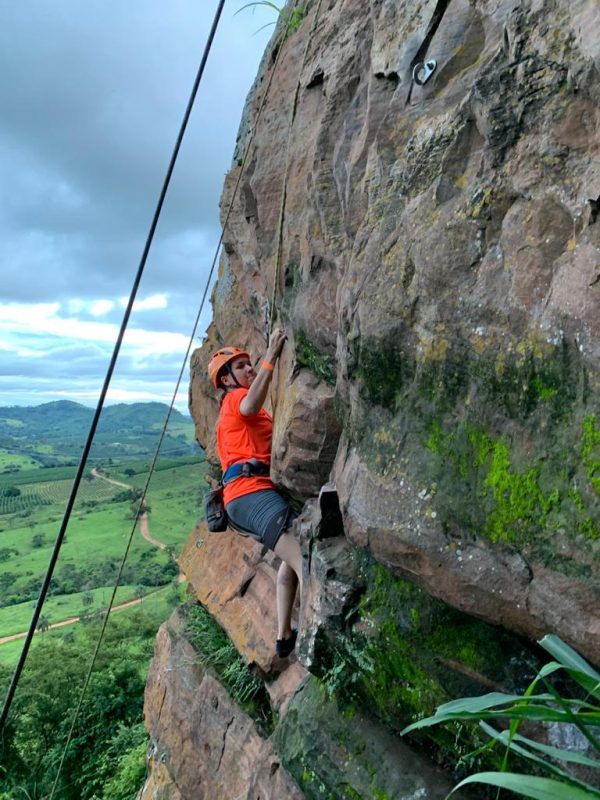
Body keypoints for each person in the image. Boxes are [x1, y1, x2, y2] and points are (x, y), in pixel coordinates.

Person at [207, 329, 303, 658]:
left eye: (250, 364)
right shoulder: (234, 400)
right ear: (226, 379)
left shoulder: (249, 410)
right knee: (305, 562)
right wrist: (271, 357)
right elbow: (249, 406)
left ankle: (283, 634)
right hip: (250, 492)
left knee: (291, 552)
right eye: (242, 366)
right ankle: (321, 628)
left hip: (245, 496)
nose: (249, 369)